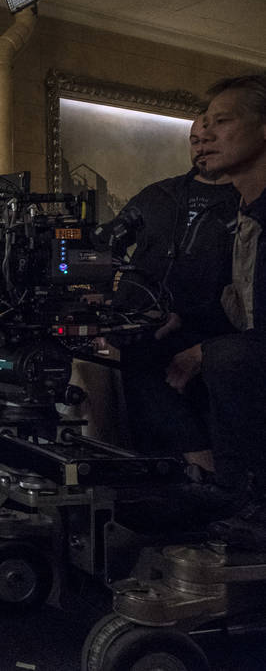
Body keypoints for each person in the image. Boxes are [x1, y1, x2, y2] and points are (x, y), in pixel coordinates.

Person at [164, 74, 266, 549]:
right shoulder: (239, 214)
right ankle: (215, 481)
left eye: (222, 122)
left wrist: (207, 349)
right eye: (201, 126)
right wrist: (180, 319)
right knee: (155, 344)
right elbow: (240, 303)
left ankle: (249, 498)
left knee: (226, 357)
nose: (203, 136)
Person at [111, 116, 239, 470]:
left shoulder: (249, 202)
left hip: (216, 345)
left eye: (210, 137)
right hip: (143, 342)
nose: (201, 145)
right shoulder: (158, 195)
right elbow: (108, 244)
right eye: (195, 139)